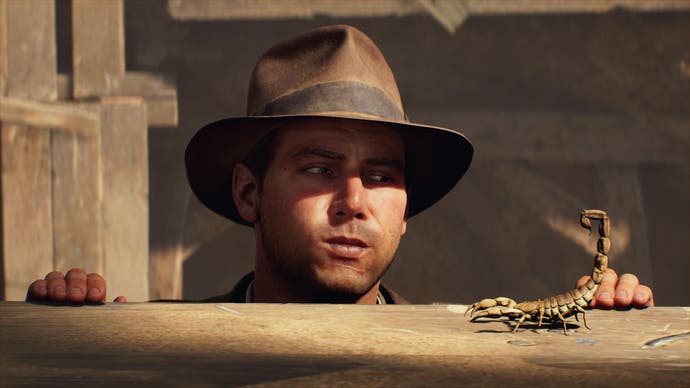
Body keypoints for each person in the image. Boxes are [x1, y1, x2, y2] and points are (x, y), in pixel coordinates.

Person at [26, 25, 653, 307]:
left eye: (381, 176)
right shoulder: (172, 358)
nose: (354, 199)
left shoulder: (465, 361)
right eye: (319, 168)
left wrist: (605, 342)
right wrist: (62, 343)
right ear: (249, 193)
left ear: (406, 210)